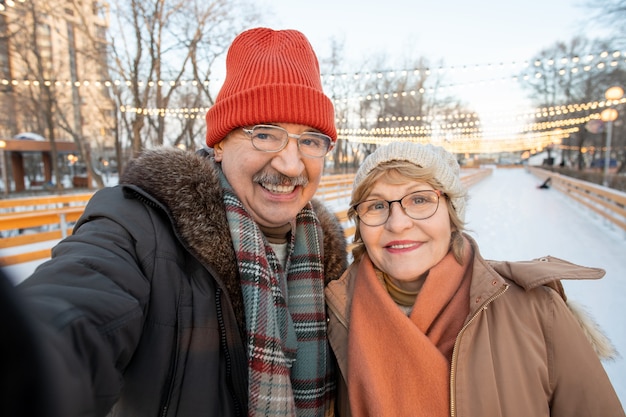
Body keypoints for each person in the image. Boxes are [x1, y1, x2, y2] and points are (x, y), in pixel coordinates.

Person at [17, 27, 347, 417]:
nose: (290, 165)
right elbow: (72, 310)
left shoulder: (330, 263)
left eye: (310, 140)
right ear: (220, 144)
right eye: (264, 135)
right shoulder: (141, 228)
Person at [325, 141, 625, 417]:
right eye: (376, 205)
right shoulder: (334, 317)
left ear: (451, 214)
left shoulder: (536, 312)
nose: (398, 223)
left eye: (420, 199)